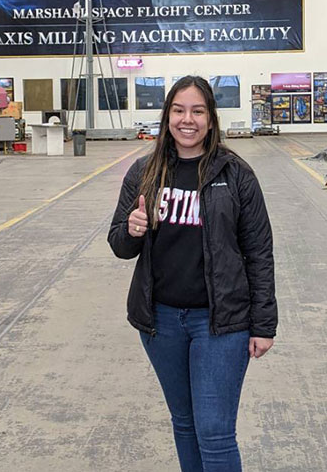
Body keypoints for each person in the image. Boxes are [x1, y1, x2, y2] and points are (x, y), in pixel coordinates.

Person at [108, 75, 277, 472]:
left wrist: (263, 324)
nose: (188, 120)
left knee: (215, 433)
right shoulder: (144, 172)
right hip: (161, 322)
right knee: (184, 424)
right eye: (179, 110)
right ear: (167, 117)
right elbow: (119, 244)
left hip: (220, 323)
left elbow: (258, 251)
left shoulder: (236, 174)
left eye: (197, 111)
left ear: (211, 119)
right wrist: (132, 230)